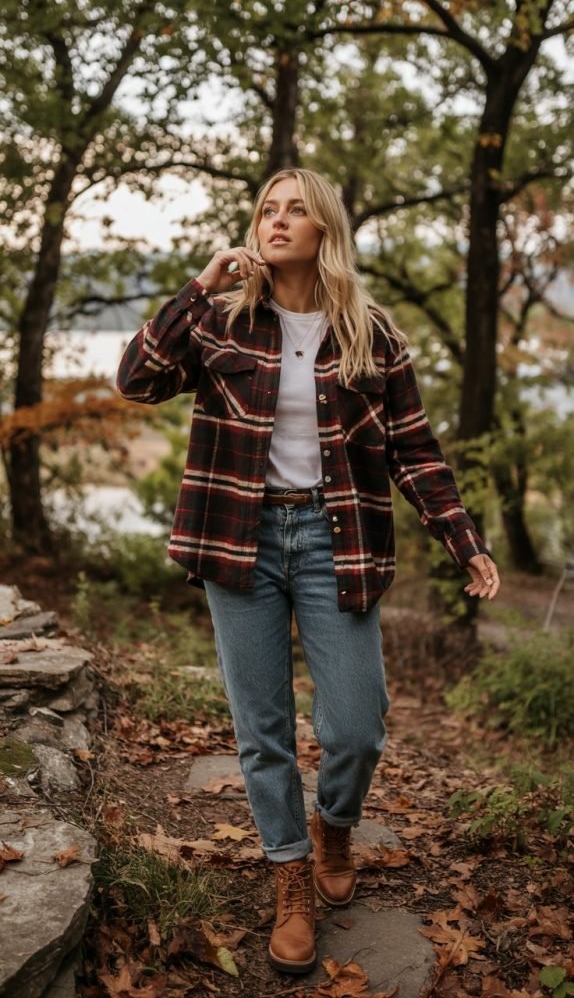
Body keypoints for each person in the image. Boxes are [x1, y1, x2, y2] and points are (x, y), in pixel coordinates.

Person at [116, 168, 500, 975]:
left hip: (338, 541)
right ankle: (289, 872)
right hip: (239, 538)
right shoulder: (223, 320)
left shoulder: (373, 334)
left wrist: (465, 540)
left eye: (295, 210)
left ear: (324, 229)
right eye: (267, 209)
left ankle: (335, 823)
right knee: (262, 731)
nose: (277, 221)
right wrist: (199, 285)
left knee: (356, 727)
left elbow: (416, 452)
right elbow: (136, 380)